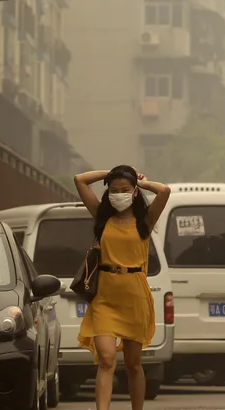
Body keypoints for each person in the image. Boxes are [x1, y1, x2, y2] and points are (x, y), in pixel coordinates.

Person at [73, 165, 171, 410]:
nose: (119, 194)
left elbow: (165, 191)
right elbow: (80, 180)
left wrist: (143, 182)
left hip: (135, 296)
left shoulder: (145, 221)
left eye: (125, 189)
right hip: (105, 297)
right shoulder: (102, 217)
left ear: (134, 192)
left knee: (133, 364)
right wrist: (111, 172)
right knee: (106, 359)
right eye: (114, 189)